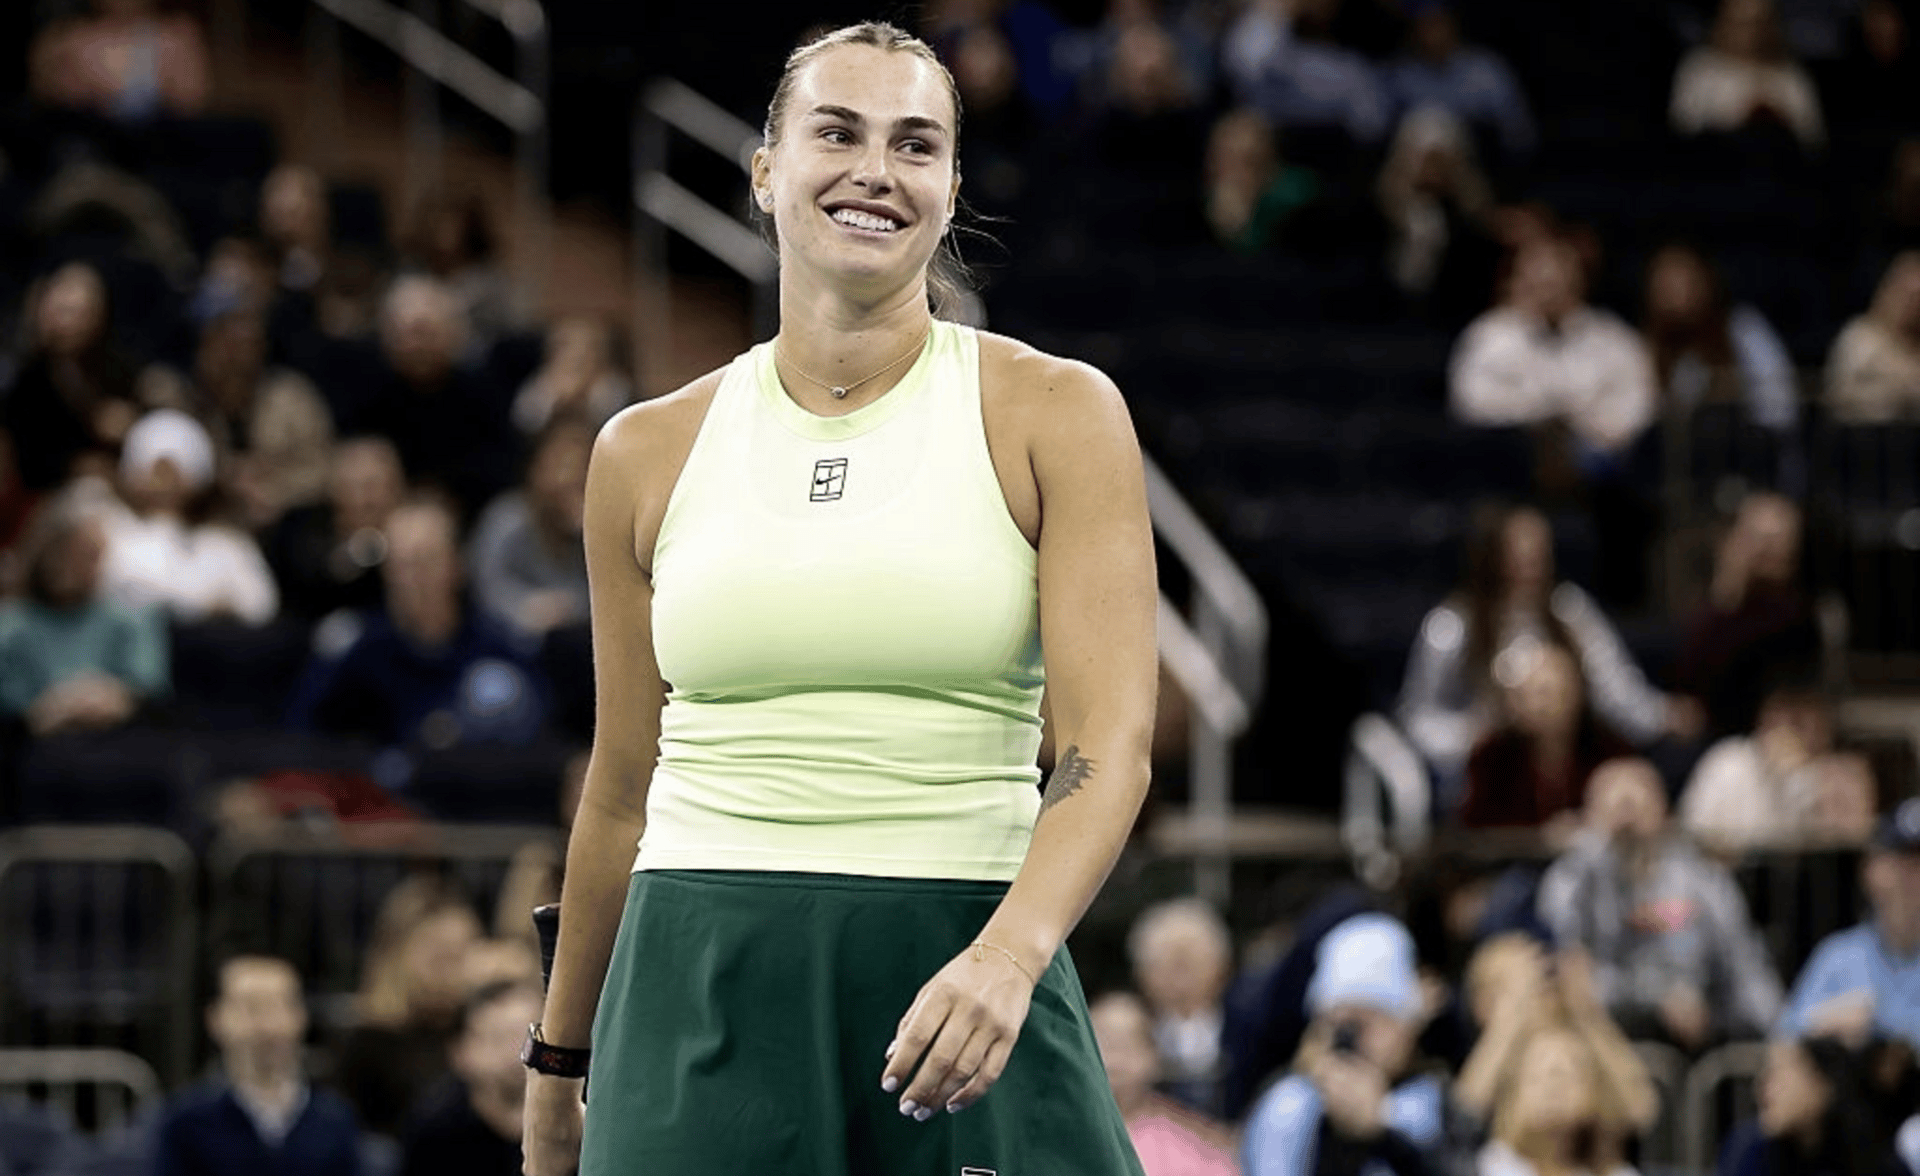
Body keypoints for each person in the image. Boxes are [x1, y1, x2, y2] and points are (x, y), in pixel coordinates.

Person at [521, 22, 1157, 1176]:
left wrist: (1010, 957)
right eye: (838, 132)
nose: (875, 169)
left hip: (965, 968)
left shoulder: (1057, 412)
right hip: (696, 978)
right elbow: (620, 786)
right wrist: (556, 1067)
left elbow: (1108, 747)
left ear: (951, 189)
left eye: (915, 144)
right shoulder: (642, 451)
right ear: (766, 170)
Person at [1397, 504, 1698, 799]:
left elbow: (1614, 686)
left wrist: (1660, 715)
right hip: (1485, 764)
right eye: (1518, 553)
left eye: (1539, 552)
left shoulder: (1569, 610)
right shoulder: (1454, 624)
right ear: (1494, 555)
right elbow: (1418, 716)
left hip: (1564, 760)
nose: (1531, 564)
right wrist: (1473, 735)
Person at [1538, 757, 1786, 1049]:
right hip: (1601, 1034)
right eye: (1614, 810)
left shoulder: (1702, 881)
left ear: (1663, 813)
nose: (1627, 824)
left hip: (1694, 1033)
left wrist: (1781, 1035)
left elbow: (1743, 962)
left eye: (1637, 808)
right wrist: (1656, 1000)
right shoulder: (1570, 880)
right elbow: (1570, 970)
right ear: (1590, 817)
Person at [285, 494, 547, 749]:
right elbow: (304, 735)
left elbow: (542, 734)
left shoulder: (496, 646)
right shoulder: (358, 653)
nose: (411, 579)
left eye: (425, 561)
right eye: (400, 564)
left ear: (456, 565)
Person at [1240, 913, 1451, 1176]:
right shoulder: (1288, 1107)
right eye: (1337, 1024)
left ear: (1405, 1028)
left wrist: (1381, 1133)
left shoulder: (1440, 1106)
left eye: (1367, 1021)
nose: (1353, 1040)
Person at [1449, 235, 1660, 458]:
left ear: (1579, 281)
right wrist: (1545, 416)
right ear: (1519, 282)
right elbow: (1469, 401)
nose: (1549, 294)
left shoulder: (1614, 339)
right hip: (1510, 460)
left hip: (1597, 463)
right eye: (1539, 283)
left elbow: (1640, 404)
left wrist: (1585, 427)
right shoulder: (1489, 335)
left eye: (1557, 283)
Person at [153, 955, 362, 1176]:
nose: (270, 1026)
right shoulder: (186, 1122)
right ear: (215, 1019)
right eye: (252, 1008)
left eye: (284, 1005)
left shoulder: (335, 1120)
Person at [0, 492, 168, 735]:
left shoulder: (132, 617)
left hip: (119, 741)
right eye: (67, 553)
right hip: (30, 745)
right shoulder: (11, 623)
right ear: (43, 552)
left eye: (90, 555)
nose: (76, 566)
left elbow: (148, 684)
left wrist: (108, 696)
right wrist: (47, 707)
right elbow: (13, 700)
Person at [95, 408, 281, 626]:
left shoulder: (226, 545)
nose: (164, 481)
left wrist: (214, 609)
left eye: (175, 470)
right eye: (155, 469)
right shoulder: (108, 533)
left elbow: (260, 604)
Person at [336, 876, 483, 1140]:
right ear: (397, 955)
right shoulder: (370, 1044)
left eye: (463, 956)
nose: (455, 972)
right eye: (441, 957)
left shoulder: (477, 1030)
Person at [1777, 797, 1920, 1050]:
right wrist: (1824, 1024)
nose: (1912, 881)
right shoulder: (1839, 955)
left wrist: (1879, 1027)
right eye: (1903, 865)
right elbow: (1783, 1043)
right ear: (1872, 871)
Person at [1674, 491, 1820, 739]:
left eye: (1777, 538)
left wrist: (1730, 585)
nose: (1765, 548)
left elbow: (1723, 669)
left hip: (1766, 739)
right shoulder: (1709, 605)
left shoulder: (1797, 619)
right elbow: (1688, 673)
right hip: (1708, 739)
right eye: (1757, 536)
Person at [1459, 641, 1633, 837]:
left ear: (1577, 692)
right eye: (1527, 695)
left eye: (1548, 693)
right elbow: (1477, 834)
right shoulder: (1491, 758)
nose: (1539, 706)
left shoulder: (1610, 751)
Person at [1681, 680, 1878, 852]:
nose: (1789, 730)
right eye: (1785, 718)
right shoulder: (1729, 759)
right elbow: (1695, 831)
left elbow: (1851, 839)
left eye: (1802, 720)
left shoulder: (1840, 770)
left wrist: (1802, 778)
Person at [1641, 243, 1799, 433]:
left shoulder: (1743, 330)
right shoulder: (1642, 346)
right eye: (1664, 284)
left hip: (1745, 450)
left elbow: (1781, 409)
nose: (1674, 294)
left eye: (1683, 280)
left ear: (1707, 281)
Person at [398, 978, 545, 1176]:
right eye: (498, 1039)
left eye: (527, 1037)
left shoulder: (578, 1118)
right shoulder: (435, 1131)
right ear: (460, 1051)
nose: (517, 1052)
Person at [466, 418, 591, 641]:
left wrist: (590, 535)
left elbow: (614, 595)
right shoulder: (507, 520)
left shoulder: (597, 528)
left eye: (581, 468)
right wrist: (527, 607)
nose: (569, 479)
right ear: (536, 470)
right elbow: (485, 587)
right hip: (510, 643)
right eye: (561, 466)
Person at [1092, 991, 1241, 1176]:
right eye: (1102, 1042)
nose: (1113, 1060)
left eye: (1126, 1045)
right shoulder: (1056, 1126)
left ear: (1153, 1058)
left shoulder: (1190, 1141)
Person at [1376, 106, 1502, 325]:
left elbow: (1475, 279)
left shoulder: (1474, 222)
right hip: (1384, 322)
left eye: (1440, 158)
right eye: (1422, 156)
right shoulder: (1377, 213)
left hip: (1452, 321)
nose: (1431, 166)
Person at [1716, 1036, 1911, 1176]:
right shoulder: (1749, 1148)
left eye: (1779, 1074)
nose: (1762, 1088)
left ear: (1824, 1086)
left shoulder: (1874, 1158)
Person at [266, 437, 405, 622]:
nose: (366, 500)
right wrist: (358, 553)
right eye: (355, 488)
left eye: (374, 487)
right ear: (336, 493)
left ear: (397, 490)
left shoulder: (419, 536)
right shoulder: (304, 533)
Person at [1383, 0, 1535, 160]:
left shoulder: (1485, 69)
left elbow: (1520, 132)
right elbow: (1380, 130)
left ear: (1453, 25)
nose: (1432, 34)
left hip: (1480, 163)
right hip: (1417, 167)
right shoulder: (1401, 74)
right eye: (1424, 26)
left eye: (1438, 24)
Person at [1669, 0, 1825, 150]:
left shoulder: (1790, 74)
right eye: (1740, 24)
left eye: (1757, 24)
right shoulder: (1700, 67)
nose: (1750, 33)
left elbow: (1812, 138)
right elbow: (1683, 126)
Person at [1129, 897, 1234, 1113]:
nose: (1179, 980)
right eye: (1166, 964)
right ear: (1142, 974)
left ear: (1222, 967)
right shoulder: (1133, 1031)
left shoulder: (1248, 1032)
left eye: (1190, 963)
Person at [29, 0, 209, 122]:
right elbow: (50, 99)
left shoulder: (178, 37)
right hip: (90, 151)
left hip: (162, 153)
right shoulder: (68, 38)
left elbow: (192, 103)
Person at [1826, 251, 1920, 422]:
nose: (1913, 306)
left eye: (1918, 298)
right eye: (1908, 294)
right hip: (1865, 441)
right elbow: (1843, 395)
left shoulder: (1915, 344)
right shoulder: (1861, 337)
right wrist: (1900, 390)